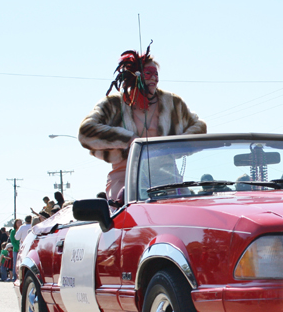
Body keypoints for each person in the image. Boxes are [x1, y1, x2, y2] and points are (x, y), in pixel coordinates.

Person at [79, 46, 207, 200]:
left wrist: (176, 146)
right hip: (126, 176)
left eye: (156, 74)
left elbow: (199, 127)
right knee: (120, 204)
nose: (154, 78)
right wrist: (129, 139)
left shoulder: (171, 102)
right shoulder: (113, 104)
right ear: (134, 76)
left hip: (167, 178)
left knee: (187, 205)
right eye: (148, 73)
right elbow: (86, 131)